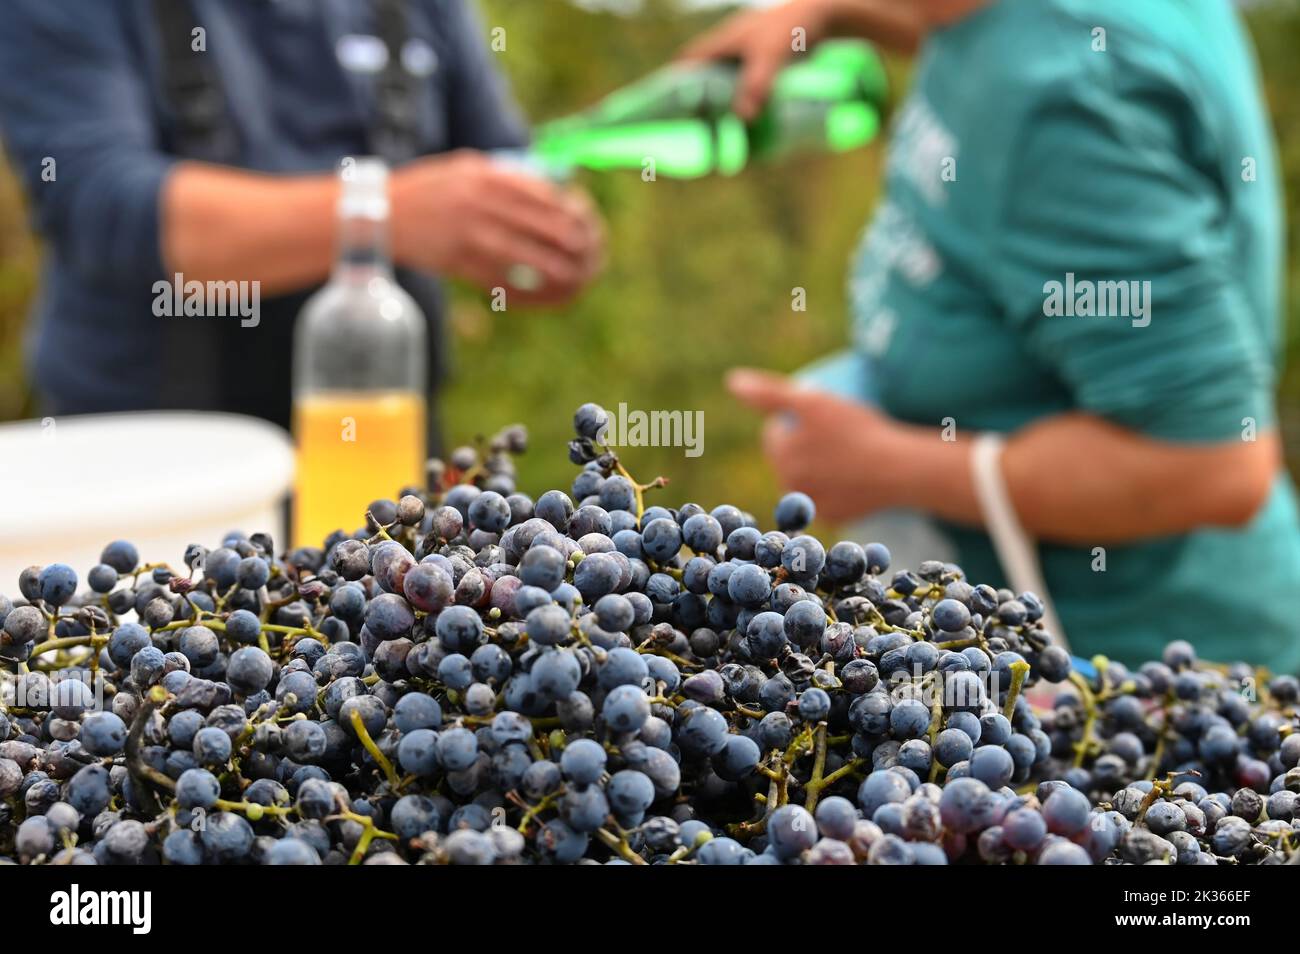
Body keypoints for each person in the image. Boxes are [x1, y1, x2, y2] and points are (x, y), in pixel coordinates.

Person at [687, 0, 1300, 669]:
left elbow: (1216, 467)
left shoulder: (1069, 101)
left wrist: (884, 465)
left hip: (1137, 677)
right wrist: (832, 11)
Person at [0, 0, 603, 445]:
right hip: (149, 467)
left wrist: (539, 236)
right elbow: (102, 202)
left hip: (376, 456)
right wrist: (384, 212)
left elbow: (502, 162)